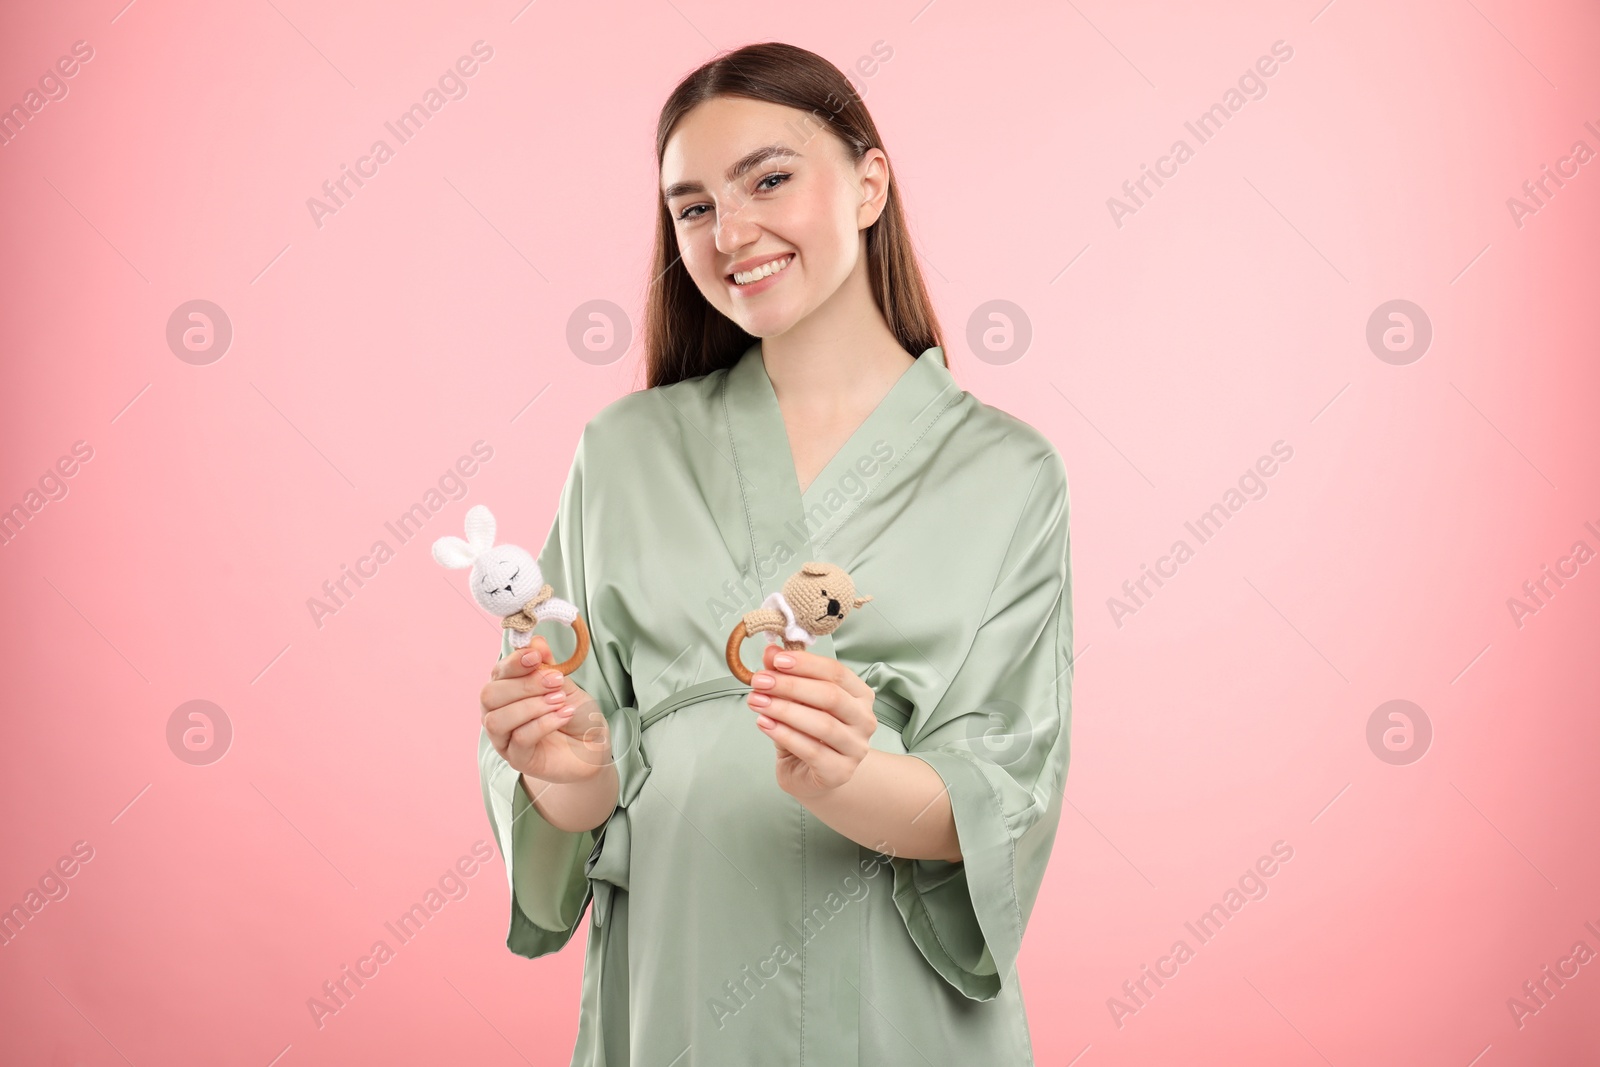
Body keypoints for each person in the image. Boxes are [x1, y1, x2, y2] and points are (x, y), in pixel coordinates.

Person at [476, 41, 1074, 1066]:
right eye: (694, 207)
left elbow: (1002, 798)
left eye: (768, 179)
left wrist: (847, 772)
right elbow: (577, 780)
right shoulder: (621, 452)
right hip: (676, 975)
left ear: (868, 183)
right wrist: (563, 771)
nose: (731, 231)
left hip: (894, 1000)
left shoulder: (1007, 472)